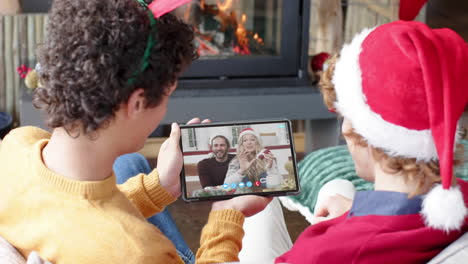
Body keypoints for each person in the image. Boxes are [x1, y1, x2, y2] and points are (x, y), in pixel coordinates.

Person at [0, 0, 272, 263]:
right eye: (168, 95)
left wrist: (160, 186)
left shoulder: (17, 143)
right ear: (138, 103)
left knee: (131, 164)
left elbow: (69, 214)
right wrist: (226, 214)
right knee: (268, 218)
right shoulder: (140, 253)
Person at [236, 20, 468, 264]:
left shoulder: (323, 253)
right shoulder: (459, 201)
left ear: (353, 131)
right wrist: (354, 212)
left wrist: (224, 218)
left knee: (253, 206)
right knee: (336, 186)